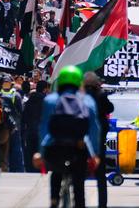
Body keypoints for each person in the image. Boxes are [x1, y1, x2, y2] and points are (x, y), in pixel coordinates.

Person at [33, 66, 101, 208]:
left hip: (55, 146)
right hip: (79, 147)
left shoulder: (50, 100)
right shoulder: (87, 101)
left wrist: (40, 152)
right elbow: (94, 129)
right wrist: (94, 153)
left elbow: (44, 127)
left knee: (56, 173)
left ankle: (54, 200)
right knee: (79, 182)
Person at [83, 72, 114, 208]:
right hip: (98, 140)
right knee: (101, 176)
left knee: (78, 175)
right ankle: (103, 204)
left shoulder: (81, 96)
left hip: (81, 139)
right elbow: (110, 108)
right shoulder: (100, 95)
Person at [0, 75, 25, 172]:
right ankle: (17, 171)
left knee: (2, 149)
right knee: (16, 150)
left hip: (1, 127)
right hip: (14, 127)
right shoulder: (16, 95)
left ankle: (3, 168)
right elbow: (21, 111)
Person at [23, 80, 49, 172]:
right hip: (41, 131)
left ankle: (30, 170)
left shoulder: (29, 101)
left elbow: (24, 116)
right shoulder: (46, 101)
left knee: (30, 152)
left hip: (30, 131)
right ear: (45, 89)